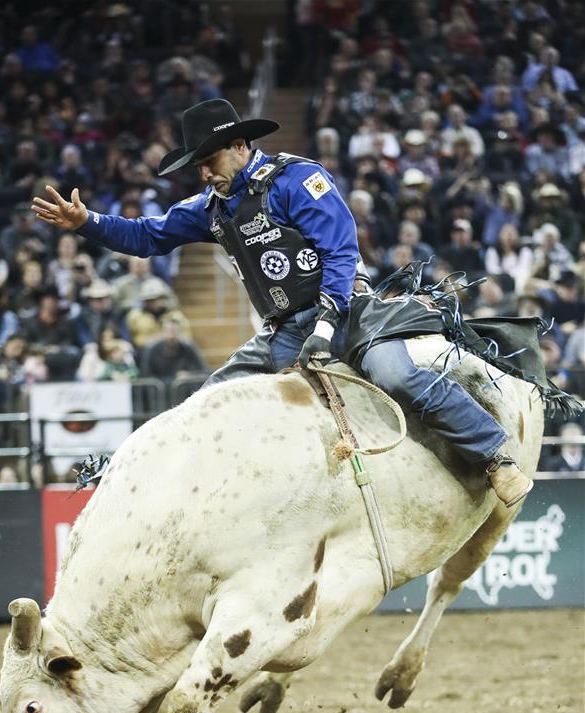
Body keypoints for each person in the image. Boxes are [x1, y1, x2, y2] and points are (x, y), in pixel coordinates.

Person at [31, 98, 531, 506]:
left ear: (240, 145)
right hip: (285, 329)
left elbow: (340, 249)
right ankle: (137, 479)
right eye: (197, 165)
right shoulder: (211, 208)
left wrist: (328, 323)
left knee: (397, 374)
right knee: (206, 404)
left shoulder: (297, 180)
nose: (204, 174)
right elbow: (148, 236)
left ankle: (495, 457)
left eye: (209, 161)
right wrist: (88, 223)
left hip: (349, 312)